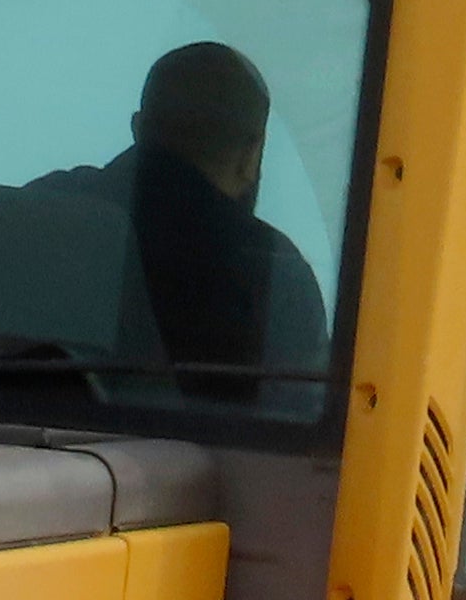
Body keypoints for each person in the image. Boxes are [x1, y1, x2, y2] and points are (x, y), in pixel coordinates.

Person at [35, 41, 328, 399]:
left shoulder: (46, 209)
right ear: (251, 154)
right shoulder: (277, 274)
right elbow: (297, 419)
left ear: (138, 128)